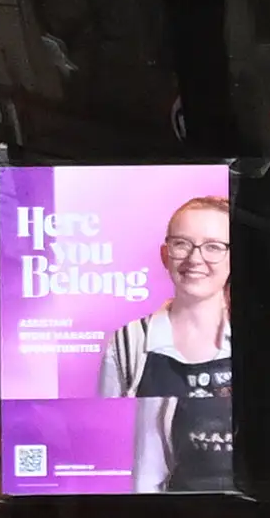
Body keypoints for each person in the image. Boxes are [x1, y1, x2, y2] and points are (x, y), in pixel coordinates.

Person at [95, 195, 235, 494]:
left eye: (213, 247)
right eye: (182, 244)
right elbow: (111, 449)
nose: (195, 259)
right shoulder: (128, 343)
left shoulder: (262, 342)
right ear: (164, 254)